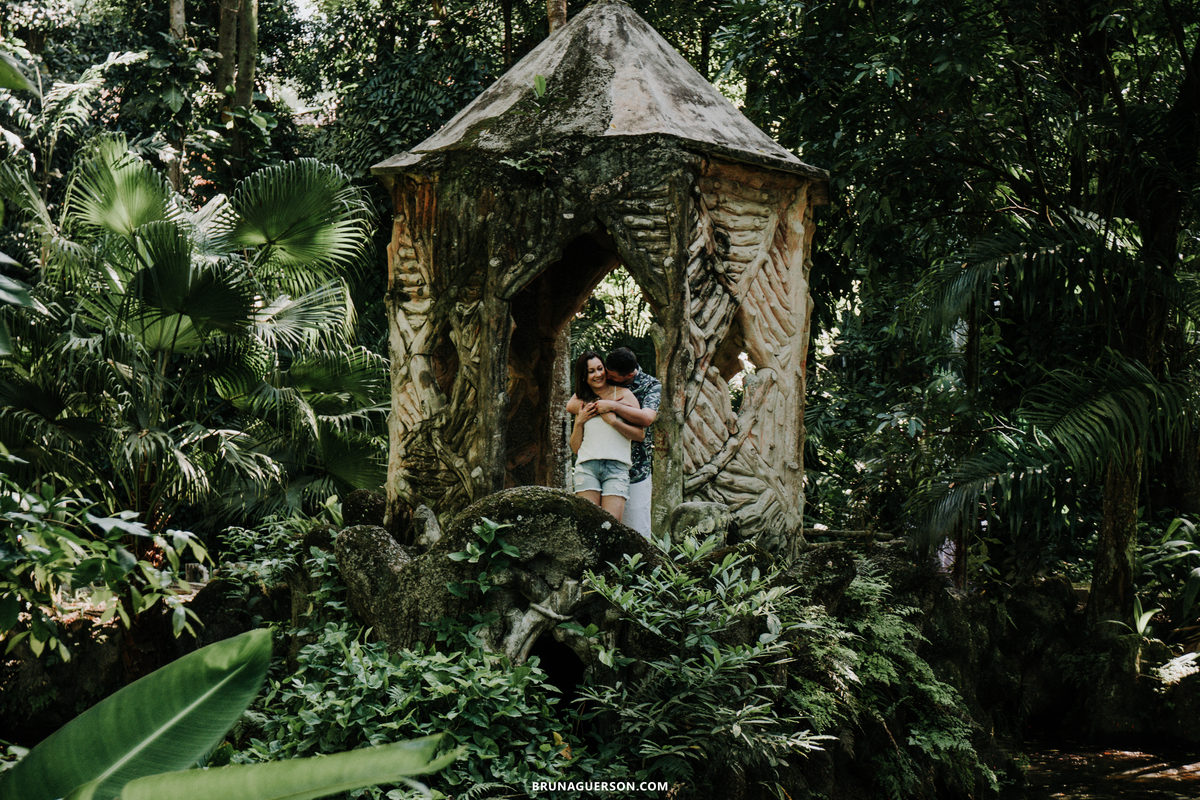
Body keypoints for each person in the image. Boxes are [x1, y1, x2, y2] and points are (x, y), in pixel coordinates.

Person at [567, 347, 660, 537]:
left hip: (631, 467)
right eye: (592, 371)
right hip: (589, 465)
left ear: (627, 375)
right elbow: (571, 406)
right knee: (589, 527)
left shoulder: (643, 387)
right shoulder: (589, 393)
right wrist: (583, 418)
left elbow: (645, 422)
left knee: (628, 528)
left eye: (601, 370)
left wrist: (613, 410)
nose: (602, 375)